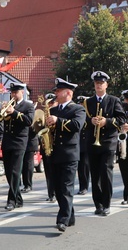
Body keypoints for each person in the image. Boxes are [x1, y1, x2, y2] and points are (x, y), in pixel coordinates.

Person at [83, 71, 126, 216]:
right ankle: (98, 204)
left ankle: (107, 204)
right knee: (95, 175)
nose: (99, 85)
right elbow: (82, 120)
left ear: (106, 85)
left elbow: (121, 119)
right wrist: (90, 121)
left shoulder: (114, 100)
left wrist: (106, 121)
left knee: (106, 172)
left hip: (108, 142)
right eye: (96, 83)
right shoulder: (87, 102)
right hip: (92, 143)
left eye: (101, 83)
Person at [47, 78, 85, 232]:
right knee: (58, 188)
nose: (55, 93)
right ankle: (70, 217)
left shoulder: (78, 109)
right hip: (55, 154)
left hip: (69, 154)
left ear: (68, 93)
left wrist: (58, 121)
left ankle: (62, 220)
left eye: (58, 90)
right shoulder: (53, 110)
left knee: (66, 187)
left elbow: (77, 126)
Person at [0, 82, 34, 211]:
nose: (14, 95)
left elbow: (29, 121)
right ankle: (18, 199)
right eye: (12, 92)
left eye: (16, 92)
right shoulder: (8, 105)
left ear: (22, 92)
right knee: (8, 172)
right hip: (7, 142)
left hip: (19, 142)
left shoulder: (28, 106)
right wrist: (2, 111)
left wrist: (14, 112)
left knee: (15, 172)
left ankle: (11, 200)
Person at [21, 91, 39, 193]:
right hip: (22, 141)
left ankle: (28, 184)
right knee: (22, 164)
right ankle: (23, 183)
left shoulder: (35, 115)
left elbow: (36, 130)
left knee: (28, 165)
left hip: (30, 143)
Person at [75, 95, 90, 195]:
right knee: (80, 168)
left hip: (87, 144)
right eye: (80, 103)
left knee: (85, 166)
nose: (81, 105)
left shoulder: (89, 115)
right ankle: (82, 186)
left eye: (83, 104)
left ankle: (84, 186)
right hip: (78, 144)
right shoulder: (77, 114)